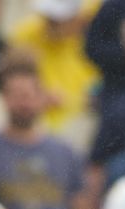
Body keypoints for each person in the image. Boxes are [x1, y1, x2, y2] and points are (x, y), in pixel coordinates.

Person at [0, 62, 92, 209]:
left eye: (29, 96)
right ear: (4, 99)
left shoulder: (65, 152)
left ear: (41, 98)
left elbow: (80, 206)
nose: (24, 104)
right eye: (17, 96)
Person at [10, 0, 101, 134]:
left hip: (79, 120)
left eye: (57, 20)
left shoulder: (93, 42)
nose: (50, 24)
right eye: (48, 18)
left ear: (75, 18)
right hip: (37, 119)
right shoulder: (27, 34)